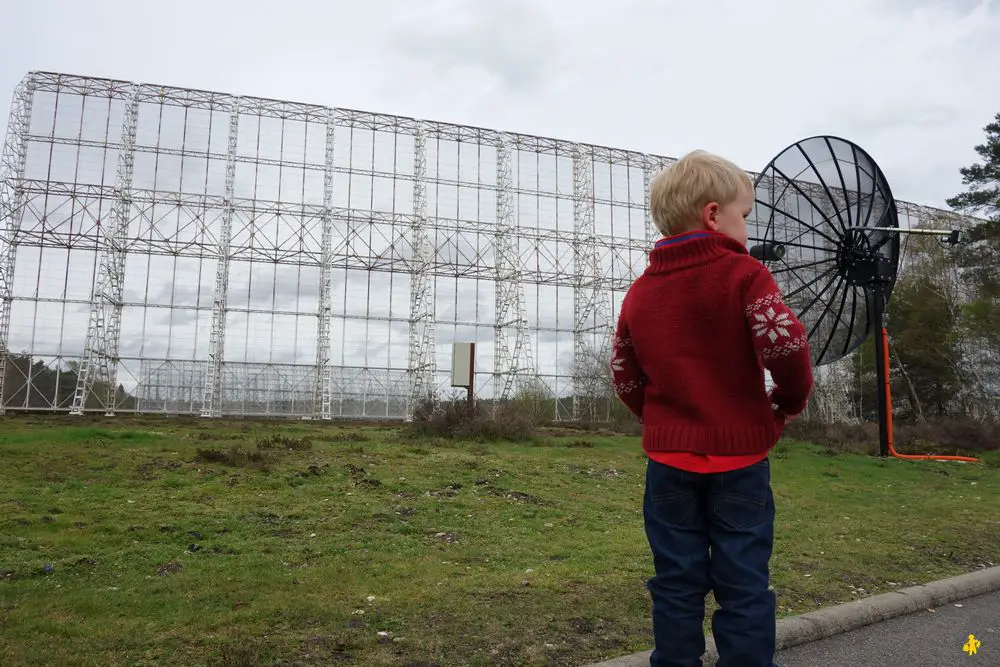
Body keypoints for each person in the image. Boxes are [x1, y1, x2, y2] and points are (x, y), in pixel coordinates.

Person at [610, 150, 814, 667]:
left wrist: (663, 421)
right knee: (743, 585)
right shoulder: (745, 276)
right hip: (740, 466)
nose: (748, 227)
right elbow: (786, 345)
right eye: (744, 215)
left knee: (676, 584)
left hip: (668, 467)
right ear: (713, 214)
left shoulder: (640, 292)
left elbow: (625, 374)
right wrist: (786, 405)